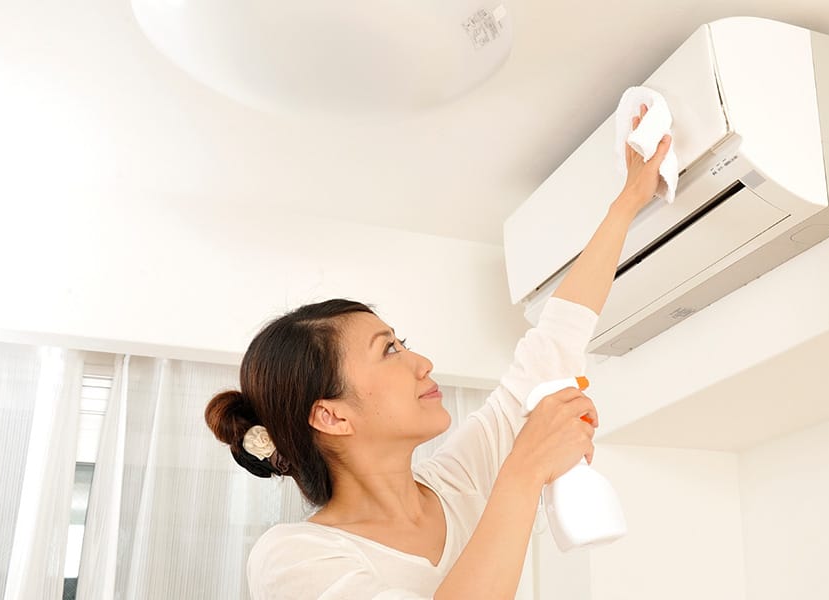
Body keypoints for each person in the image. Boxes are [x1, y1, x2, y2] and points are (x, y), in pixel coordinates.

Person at [204, 105, 672, 600]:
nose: (421, 363)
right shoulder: (294, 557)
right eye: (388, 351)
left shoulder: (458, 481)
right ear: (331, 415)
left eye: (402, 343)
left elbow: (553, 344)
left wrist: (628, 202)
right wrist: (524, 468)